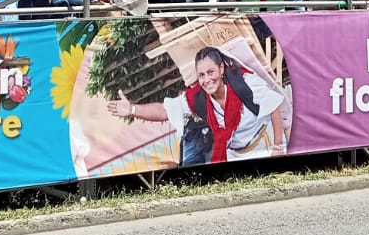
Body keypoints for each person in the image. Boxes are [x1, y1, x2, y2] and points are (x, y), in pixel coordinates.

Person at [105, 46, 286, 164]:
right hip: (236, 154)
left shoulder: (245, 83)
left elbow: (274, 106)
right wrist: (133, 109)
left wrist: (277, 148)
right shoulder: (197, 98)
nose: (206, 80)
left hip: (265, 144)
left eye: (210, 72)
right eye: (201, 75)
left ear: (221, 69)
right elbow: (164, 110)